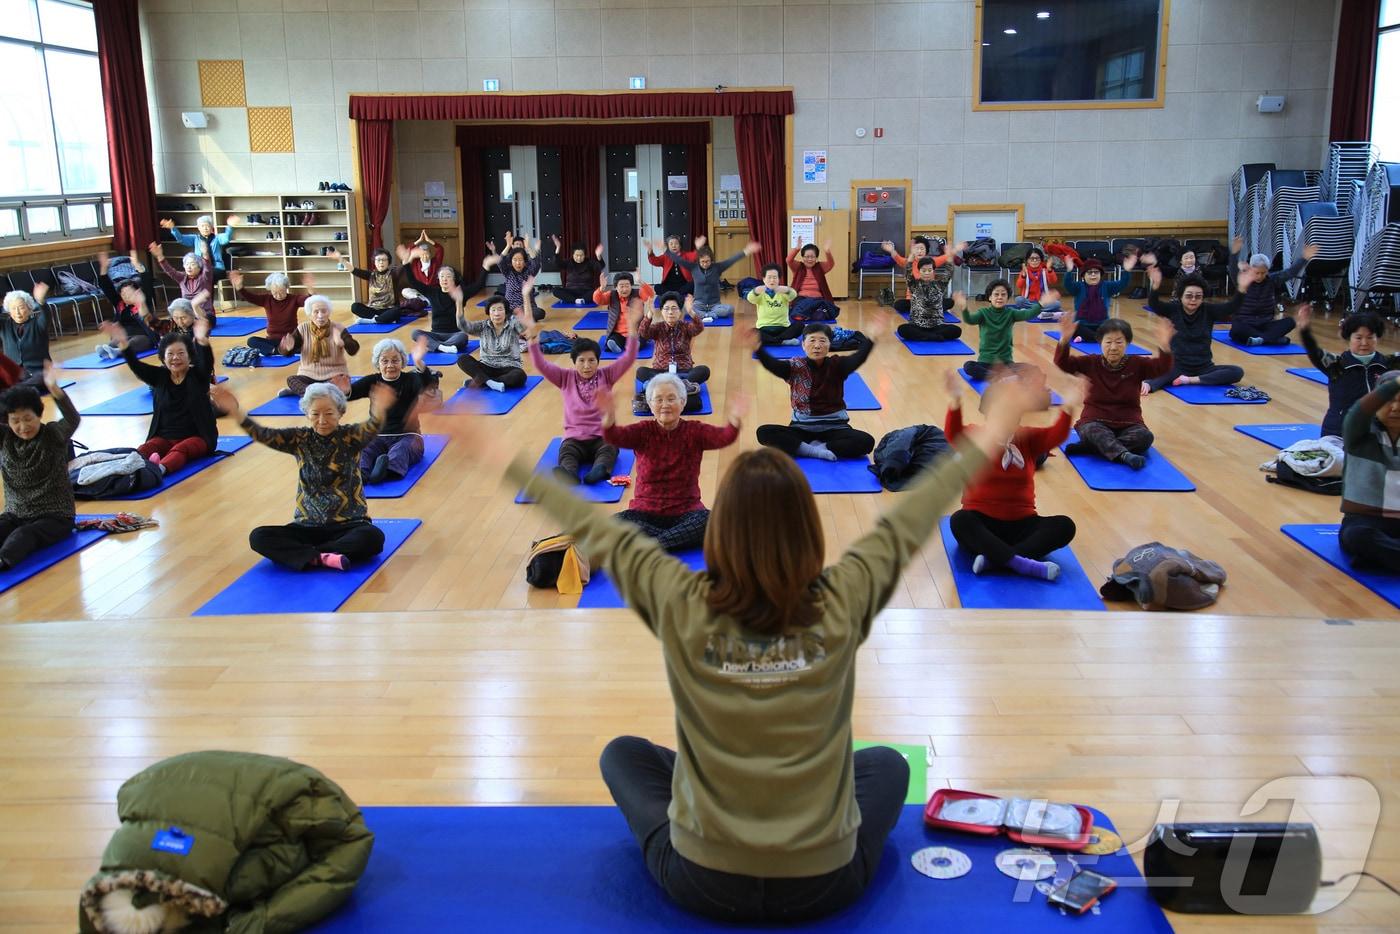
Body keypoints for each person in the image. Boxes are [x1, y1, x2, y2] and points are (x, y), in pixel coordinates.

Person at [465, 368, 1041, 924]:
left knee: (623, 753)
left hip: (700, 880)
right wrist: (995, 429)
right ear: (809, 532)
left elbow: (598, 531)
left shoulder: (681, 600)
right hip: (825, 883)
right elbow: (918, 510)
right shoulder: (843, 597)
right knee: (886, 764)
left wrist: (502, 458)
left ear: (719, 532)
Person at [213, 379, 395, 571]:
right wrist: (235, 413)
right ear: (307, 413)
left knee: (373, 538)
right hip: (307, 527)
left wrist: (379, 409)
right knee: (258, 536)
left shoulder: (351, 437)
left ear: (341, 412)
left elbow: (373, 426)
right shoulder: (299, 439)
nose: (322, 420)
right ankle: (325, 556)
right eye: (315, 414)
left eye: (329, 413)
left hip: (349, 525)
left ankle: (311, 555)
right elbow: (263, 433)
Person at [945, 366, 1085, 580]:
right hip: (982, 523)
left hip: (1023, 524)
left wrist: (1068, 406)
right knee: (959, 521)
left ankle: (997, 560)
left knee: (1065, 526)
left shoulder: (1026, 437)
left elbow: (1057, 435)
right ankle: (1023, 564)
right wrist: (955, 400)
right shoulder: (975, 435)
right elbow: (953, 434)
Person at [596, 373, 743, 552]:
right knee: (616, 523)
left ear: (682, 403)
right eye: (658, 399)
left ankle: (651, 546)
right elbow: (614, 436)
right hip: (644, 513)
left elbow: (724, 437)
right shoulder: (643, 431)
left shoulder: (694, 431)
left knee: (710, 521)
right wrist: (608, 416)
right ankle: (670, 541)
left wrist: (735, 418)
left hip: (686, 512)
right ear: (650, 404)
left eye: (671, 399)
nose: (665, 405)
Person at [527, 304, 641, 485]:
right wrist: (532, 340)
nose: (587, 366)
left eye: (591, 361)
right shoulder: (564, 377)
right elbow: (541, 365)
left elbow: (628, 358)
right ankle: (568, 474)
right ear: (574, 362)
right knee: (566, 453)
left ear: (598, 361)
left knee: (610, 449)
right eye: (581, 361)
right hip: (574, 438)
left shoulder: (607, 375)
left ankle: (599, 470)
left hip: (601, 437)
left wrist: (633, 329)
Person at [1053, 314, 1174, 469]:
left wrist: (1165, 346)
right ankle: (1124, 455)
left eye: (1119, 342)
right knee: (1092, 431)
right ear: (1100, 343)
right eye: (1108, 342)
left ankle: (1093, 448)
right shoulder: (1091, 362)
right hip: (1095, 421)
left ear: (1128, 343)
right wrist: (1064, 339)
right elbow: (1063, 364)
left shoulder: (1137, 363)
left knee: (1145, 437)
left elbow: (1162, 367)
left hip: (1129, 423)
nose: (1113, 347)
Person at [753, 319, 884, 461]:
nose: (817, 346)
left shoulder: (838, 365)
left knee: (866, 441)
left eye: (822, 341)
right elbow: (773, 365)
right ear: (803, 345)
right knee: (764, 432)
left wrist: (871, 339)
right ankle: (813, 451)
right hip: (801, 428)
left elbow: (858, 358)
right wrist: (758, 349)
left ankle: (820, 447)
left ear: (829, 345)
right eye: (812, 340)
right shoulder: (795, 366)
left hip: (835, 428)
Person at [101, 318, 218, 476]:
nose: (175, 358)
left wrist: (202, 340)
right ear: (163, 358)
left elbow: (207, 363)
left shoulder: (198, 376)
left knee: (180, 450)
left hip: (197, 437)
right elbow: (136, 366)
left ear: (190, 357)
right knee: (146, 448)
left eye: (181, 353)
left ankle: (158, 470)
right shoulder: (160, 377)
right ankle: (125, 470)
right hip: (165, 437)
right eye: (170, 354)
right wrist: (123, 342)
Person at [0, 363, 78, 570]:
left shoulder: (52, 435)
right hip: (16, 514)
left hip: (55, 516)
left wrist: (54, 390)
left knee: (23, 536)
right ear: (7, 421)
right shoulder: (5, 437)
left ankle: (3, 561)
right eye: (15, 421)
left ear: (39, 415)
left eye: (28, 419)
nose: (23, 427)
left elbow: (72, 418)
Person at [1297, 306, 1400, 437]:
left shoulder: (1388, 363)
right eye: (1358, 337)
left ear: (1377, 338)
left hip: (1378, 433)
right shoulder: (1336, 364)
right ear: (1348, 338)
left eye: (1370, 337)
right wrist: (1305, 331)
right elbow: (1314, 352)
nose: (1364, 342)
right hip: (1338, 432)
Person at [349, 336, 439, 485]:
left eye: (395, 360)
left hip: (408, 436)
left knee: (400, 451)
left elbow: (428, 384)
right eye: (385, 361)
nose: (390, 365)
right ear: (378, 363)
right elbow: (349, 394)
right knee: (363, 450)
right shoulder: (373, 381)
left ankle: (383, 472)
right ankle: (361, 474)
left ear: (403, 361)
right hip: (378, 436)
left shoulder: (411, 379)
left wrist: (418, 362)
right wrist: (342, 388)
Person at [1141, 267, 1245, 394]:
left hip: (1204, 367)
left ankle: (1190, 380)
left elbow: (1232, 307)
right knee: (1158, 376)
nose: (1193, 300)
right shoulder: (1173, 310)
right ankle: (1153, 383)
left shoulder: (1209, 310)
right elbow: (1154, 304)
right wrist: (1156, 285)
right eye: (1189, 296)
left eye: (1198, 296)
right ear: (1181, 296)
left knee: (1237, 372)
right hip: (1178, 366)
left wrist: (1242, 289)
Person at [1338, 371, 1400, 572]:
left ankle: (1383, 561)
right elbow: (1359, 411)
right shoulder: (1359, 433)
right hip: (1366, 521)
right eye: (1388, 400)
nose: (1395, 408)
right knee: (1359, 538)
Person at [1229, 244, 1317, 346]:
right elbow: (1233, 270)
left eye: (1263, 273)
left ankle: (1260, 339)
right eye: (1257, 273)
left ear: (1268, 271)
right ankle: (1271, 339)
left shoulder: (1272, 279)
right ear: (1251, 269)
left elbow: (1290, 273)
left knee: (1291, 321)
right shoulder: (1243, 280)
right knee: (1237, 329)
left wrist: (1304, 258)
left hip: (1265, 324)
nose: (1260, 276)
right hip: (1245, 324)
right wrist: (1234, 254)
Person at [961, 281, 1047, 381]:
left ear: (1007, 298)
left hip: (1006, 364)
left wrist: (1041, 304)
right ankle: (999, 376)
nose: (1000, 297)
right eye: (996, 294)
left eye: (1003, 294)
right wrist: (964, 308)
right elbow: (969, 320)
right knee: (968, 366)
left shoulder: (1011, 313)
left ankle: (998, 376)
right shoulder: (983, 313)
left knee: (1034, 369)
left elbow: (1027, 314)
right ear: (989, 297)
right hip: (986, 363)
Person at [278, 294, 360, 397]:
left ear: (328, 312)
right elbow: (286, 353)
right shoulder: (303, 328)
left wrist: (342, 342)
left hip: (334, 374)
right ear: (310, 314)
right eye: (316, 312)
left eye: (324, 311)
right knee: (291, 379)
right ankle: (312, 391)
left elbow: (354, 349)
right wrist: (287, 348)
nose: (320, 315)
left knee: (341, 385)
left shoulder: (338, 328)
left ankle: (304, 391)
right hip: (308, 373)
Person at [670, 241, 759, 321]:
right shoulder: (694, 268)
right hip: (698, 304)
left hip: (715, 305)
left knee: (729, 309)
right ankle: (708, 315)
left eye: (707, 261)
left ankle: (704, 316)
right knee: (685, 308)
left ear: (711, 260)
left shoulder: (718, 267)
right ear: (698, 261)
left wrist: (746, 251)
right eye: (702, 262)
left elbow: (732, 260)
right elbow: (679, 260)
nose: (705, 264)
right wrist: (666, 250)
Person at [231, 270, 313, 357]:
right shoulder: (266, 299)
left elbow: (309, 301)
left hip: (291, 339)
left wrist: (310, 289)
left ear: (286, 288)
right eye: (274, 293)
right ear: (270, 290)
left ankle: (280, 350)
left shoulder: (294, 299)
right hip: (273, 341)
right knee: (251, 340)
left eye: (281, 292)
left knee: (309, 343)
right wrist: (239, 287)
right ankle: (277, 351)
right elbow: (250, 297)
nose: (278, 295)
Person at [93, 251, 158, 359]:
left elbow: (147, 282)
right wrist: (104, 268)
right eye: (123, 294)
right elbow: (106, 286)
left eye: (129, 293)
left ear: (136, 292)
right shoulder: (120, 303)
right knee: (114, 342)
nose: (126, 296)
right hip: (126, 335)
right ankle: (109, 351)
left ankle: (118, 352)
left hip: (144, 336)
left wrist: (139, 267)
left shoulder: (143, 301)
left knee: (136, 342)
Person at [459, 292, 529, 391]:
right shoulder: (482, 326)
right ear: (488, 312)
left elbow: (528, 321)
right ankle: (491, 383)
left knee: (520, 376)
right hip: (486, 366)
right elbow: (463, 325)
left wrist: (526, 296)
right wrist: (458, 302)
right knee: (462, 359)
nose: (497, 313)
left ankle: (483, 382)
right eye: (493, 310)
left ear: (506, 312)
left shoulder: (513, 325)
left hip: (509, 367)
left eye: (500, 309)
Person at [636, 293, 709, 386]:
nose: (670, 312)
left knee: (704, 370)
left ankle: (662, 385)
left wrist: (691, 312)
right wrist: (649, 315)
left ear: (680, 311)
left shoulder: (686, 327)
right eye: (666, 309)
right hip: (661, 371)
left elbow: (699, 328)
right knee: (641, 371)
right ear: (661, 311)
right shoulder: (658, 328)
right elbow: (643, 332)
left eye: (674, 308)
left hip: (684, 371)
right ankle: (682, 386)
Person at [1061, 255, 1133, 342]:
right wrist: (1069, 270)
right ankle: (1098, 338)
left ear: (1100, 274)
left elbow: (1122, 284)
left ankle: (1089, 338)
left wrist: (1127, 270)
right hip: (1083, 324)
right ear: (1083, 276)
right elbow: (1067, 284)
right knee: (1076, 328)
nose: (1093, 275)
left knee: (1116, 328)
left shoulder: (1107, 286)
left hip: (1102, 324)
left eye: (1096, 272)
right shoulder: (1079, 287)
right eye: (1089, 272)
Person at [895, 257, 963, 342]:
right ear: (919, 271)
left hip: (937, 326)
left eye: (929, 270)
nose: (927, 273)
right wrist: (910, 260)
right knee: (902, 329)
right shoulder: (914, 284)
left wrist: (949, 259)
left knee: (957, 331)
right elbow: (908, 273)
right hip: (917, 326)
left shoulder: (939, 285)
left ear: (933, 270)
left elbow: (948, 273)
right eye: (924, 270)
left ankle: (926, 336)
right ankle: (931, 336)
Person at [151, 241, 216, 327]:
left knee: (195, 322)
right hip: (187, 315)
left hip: (205, 314)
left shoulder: (205, 277)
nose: (189, 267)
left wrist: (205, 254)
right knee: (172, 323)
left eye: (192, 264)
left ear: (199, 267)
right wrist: (160, 256)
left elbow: (207, 268)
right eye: (187, 264)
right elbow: (170, 271)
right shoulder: (182, 277)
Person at [340, 248, 413, 324]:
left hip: (389, 309)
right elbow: (354, 270)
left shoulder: (393, 273)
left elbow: (404, 266)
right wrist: (340, 259)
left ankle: (374, 320)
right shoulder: (371, 275)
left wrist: (406, 258)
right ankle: (381, 319)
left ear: (388, 262)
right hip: (373, 310)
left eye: (384, 260)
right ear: (374, 262)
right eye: (378, 260)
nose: (381, 262)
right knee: (355, 307)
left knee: (397, 311)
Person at [159, 214, 236, 283]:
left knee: (206, 276)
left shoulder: (217, 238)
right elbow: (181, 239)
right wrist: (173, 228)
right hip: (200, 268)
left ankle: (206, 295)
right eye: (202, 226)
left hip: (217, 268)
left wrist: (230, 227)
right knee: (196, 276)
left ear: (211, 228)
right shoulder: (195, 238)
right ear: (199, 228)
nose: (205, 228)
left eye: (207, 226)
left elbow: (226, 237)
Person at [1, 285, 51, 388]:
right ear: (9, 312)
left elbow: (46, 315)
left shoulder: (38, 324)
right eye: (13, 309)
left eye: (21, 308)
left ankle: (17, 388)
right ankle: (19, 387)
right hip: (15, 373)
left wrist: (41, 301)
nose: (17, 312)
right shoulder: (4, 326)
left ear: (29, 309)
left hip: (38, 371)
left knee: (43, 377)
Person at [594, 271, 654, 355]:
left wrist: (641, 282)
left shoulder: (638, 293)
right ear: (616, 287)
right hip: (618, 333)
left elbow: (650, 294)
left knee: (640, 339)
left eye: (627, 286)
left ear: (631, 285)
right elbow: (598, 300)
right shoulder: (611, 295)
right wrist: (601, 288)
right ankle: (616, 345)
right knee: (612, 340)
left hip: (636, 332)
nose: (625, 289)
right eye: (621, 286)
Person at [484, 242, 543, 319]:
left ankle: (517, 318)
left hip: (527, 308)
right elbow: (500, 261)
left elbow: (536, 263)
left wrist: (528, 247)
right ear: (511, 261)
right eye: (515, 260)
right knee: (501, 312)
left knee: (540, 313)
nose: (518, 263)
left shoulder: (529, 273)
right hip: (511, 308)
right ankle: (519, 318)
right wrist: (508, 245)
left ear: (525, 262)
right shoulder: (508, 272)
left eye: (520, 260)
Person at [748, 264, 802, 345]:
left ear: (779, 279)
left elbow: (793, 295)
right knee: (752, 332)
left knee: (800, 325)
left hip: (783, 328)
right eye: (769, 277)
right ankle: (781, 341)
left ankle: (771, 341)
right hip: (764, 328)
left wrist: (786, 289)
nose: (772, 280)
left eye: (775, 277)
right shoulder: (760, 293)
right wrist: (755, 291)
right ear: (763, 279)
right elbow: (750, 298)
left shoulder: (783, 291)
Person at [786, 242, 840, 322]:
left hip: (817, 299)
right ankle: (809, 314)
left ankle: (808, 315)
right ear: (802, 257)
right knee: (800, 307)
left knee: (826, 307)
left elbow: (830, 264)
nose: (810, 259)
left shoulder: (820, 267)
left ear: (816, 257)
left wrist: (827, 252)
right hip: (801, 299)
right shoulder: (798, 267)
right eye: (807, 257)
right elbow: (789, 260)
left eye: (812, 257)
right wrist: (797, 249)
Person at [551, 237, 605, 304]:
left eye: (581, 255)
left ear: (585, 255)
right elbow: (556, 263)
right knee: (555, 290)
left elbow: (601, 266)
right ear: (573, 255)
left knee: (596, 291)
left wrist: (598, 256)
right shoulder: (568, 262)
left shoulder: (590, 262)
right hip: (571, 291)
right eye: (577, 255)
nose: (579, 258)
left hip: (587, 291)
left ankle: (576, 300)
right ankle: (577, 301)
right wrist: (558, 248)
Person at [1011, 247, 1061, 317]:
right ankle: (1039, 310)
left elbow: (1053, 281)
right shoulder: (1025, 271)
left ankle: (1031, 310)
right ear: (1028, 260)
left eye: (1037, 258)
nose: (1034, 261)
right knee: (1019, 300)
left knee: (1057, 304)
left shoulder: (1045, 271)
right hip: (1028, 301)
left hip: (1043, 301)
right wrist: (1023, 276)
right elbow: (1019, 285)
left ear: (1041, 260)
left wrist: (1049, 269)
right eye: (1032, 259)